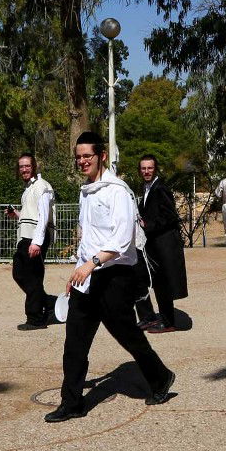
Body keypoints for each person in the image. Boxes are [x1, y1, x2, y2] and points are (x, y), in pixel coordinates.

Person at [46, 131, 175, 423]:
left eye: (87, 156)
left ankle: (160, 377)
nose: (82, 161)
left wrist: (91, 264)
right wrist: (77, 269)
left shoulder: (118, 191)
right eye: (78, 157)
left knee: (127, 334)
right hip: (88, 276)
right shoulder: (86, 191)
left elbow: (121, 240)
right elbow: (88, 238)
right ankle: (72, 402)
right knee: (74, 342)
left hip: (115, 276)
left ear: (102, 156)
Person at [134, 155, 189, 333]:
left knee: (163, 283)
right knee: (141, 278)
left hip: (164, 245)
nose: (146, 171)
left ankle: (168, 322)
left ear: (155, 169)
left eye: (149, 168)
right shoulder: (147, 188)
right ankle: (148, 317)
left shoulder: (161, 188)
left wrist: (148, 225)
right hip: (151, 244)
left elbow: (170, 216)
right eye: (143, 168)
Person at [6, 153, 57, 330]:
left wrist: (37, 242)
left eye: (27, 166)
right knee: (19, 274)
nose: (24, 169)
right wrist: (16, 214)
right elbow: (32, 215)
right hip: (26, 236)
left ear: (34, 166)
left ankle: (35, 318)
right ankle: (49, 303)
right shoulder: (29, 188)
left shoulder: (42, 186)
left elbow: (43, 217)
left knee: (33, 277)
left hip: (34, 237)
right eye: (21, 166)